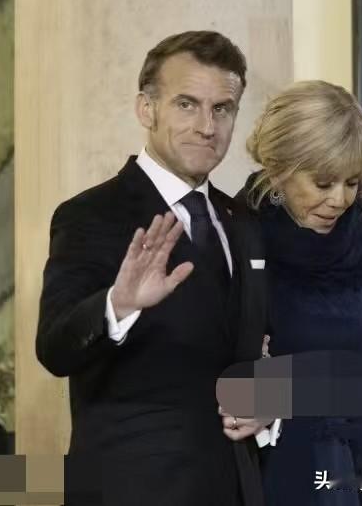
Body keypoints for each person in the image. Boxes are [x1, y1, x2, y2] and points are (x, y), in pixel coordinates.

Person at [35, 31, 269, 506]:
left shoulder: (243, 220)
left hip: (238, 489)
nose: (207, 126)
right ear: (147, 109)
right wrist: (117, 305)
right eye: (187, 105)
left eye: (222, 109)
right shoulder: (91, 215)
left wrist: (271, 403)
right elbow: (55, 348)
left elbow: (264, 340)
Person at [239, 80, 362, 505]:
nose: (339, 200)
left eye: (352, 182)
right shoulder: (241, 242)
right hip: (278, 473)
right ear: (279, 170)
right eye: (323, 183)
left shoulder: (358, 245)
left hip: (354, 466)